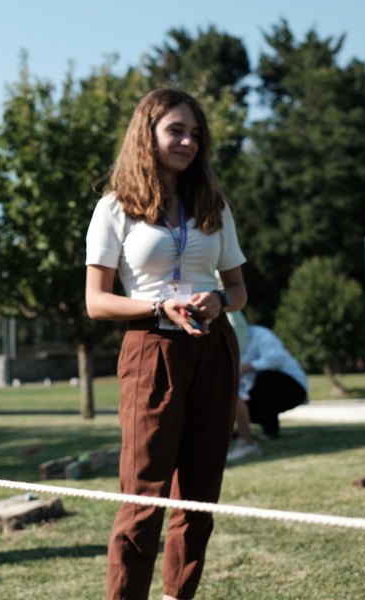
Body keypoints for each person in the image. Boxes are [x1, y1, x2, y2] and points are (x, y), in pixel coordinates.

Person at [85, 88, 247, 600]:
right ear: (147, 133)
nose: (187, 142)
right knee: (143, 497)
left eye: (195, 134)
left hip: (213, 347)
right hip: (152, 349)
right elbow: (96, 301)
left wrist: (220, 299)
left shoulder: (214, 205)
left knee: (199, 500)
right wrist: (158, 307)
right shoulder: (115, 207)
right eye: (176, 130)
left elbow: (240, 288)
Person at [227, 324, 309, 462]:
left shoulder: (260, 334)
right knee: (235, 399)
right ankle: (240, 432)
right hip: (253, 392)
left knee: (263, 379)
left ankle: (271, 430)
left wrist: (248, 367)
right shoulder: (228, 344)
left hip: (291, 387)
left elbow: (277, 358)